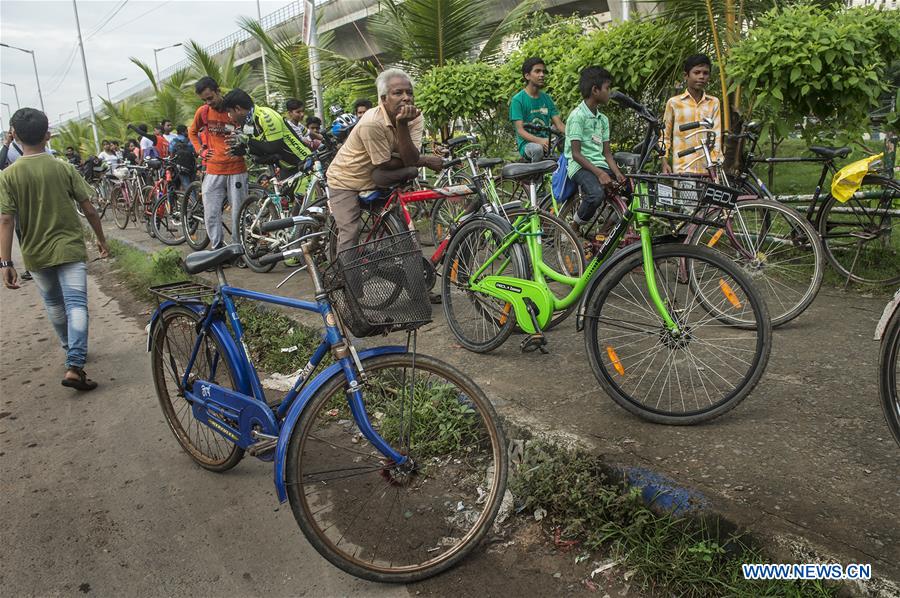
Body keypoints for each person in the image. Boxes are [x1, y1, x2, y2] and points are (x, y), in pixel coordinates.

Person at [0, 107, 109, 391]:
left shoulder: (8, 176)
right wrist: (101, 239)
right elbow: (89, 209)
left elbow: (6, 220)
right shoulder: (63, 167)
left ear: (14, 136)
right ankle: (75, 363)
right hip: (70, 247)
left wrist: (6, 262)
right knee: (76, 305)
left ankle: (70, 352)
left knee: (55, 306)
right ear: (48, 134)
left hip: (35, 252)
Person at [326, 68, 443, 254]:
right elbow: (385, 163)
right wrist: (426, 160)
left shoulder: (415, 117)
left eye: (409, 92)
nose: (406, 98)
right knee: (350, 232)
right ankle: (346, 279)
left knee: (402, 228)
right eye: (398, 93)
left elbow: (410, 158)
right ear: (383, 99)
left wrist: (402, 124)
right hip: (347, 180)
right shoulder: (371, 122)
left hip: (377, 177)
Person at [187, 76, 248, 250]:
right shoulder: (203, 112)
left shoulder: (234, 108)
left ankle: (238, 248)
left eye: (210, 97)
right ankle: (218, 247)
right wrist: (201, 151)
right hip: (214, 169)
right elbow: (192, 133)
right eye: (204, 100)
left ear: (218, 91)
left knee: (238, 212)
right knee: (211, 211)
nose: (208, 102)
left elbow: (249, 130)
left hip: (237, 168)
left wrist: (241, 142)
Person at [563, 67, 626, 230]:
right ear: (595, 90)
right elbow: (576, 154)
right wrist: (600, 174)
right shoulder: (578, 116)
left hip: (600, 164)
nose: (609, 92)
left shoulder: (603, 119)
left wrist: (618, 173)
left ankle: (606, 231)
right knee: (595, 195)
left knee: (630, 189)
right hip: (580, 166)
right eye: (607, 88)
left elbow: (607, 153)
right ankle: (574, 226)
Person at [222, 89, 312, 177]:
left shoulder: (266, 116)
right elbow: (259, 149)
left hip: (302, 162)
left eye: (229, 112)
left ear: (238, 109)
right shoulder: (248, 123)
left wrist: (248, 141)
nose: (229, 116)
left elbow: (273, 147)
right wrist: (243, 150)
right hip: (286, 167)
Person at [662, 54, 722, 175]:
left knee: (709, 195)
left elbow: (716, 136)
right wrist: (664, 161)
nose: (701, 77)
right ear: (686, 75)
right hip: (683, 168)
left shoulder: (713, 103)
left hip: (708, 169)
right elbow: (664, 136)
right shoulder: (674, 103)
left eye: (705, 73)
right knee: (685, 194)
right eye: (697, 72)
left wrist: (714, 162)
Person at [509, 57, 566, 162]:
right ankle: (536, 178)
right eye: (537, 71)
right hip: (528, 145)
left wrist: (577, 135)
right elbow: (520, 130)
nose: (542, 75)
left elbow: (559, 125)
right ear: (527, 76)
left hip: (546, 141)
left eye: (543, 71)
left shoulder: (546, 98)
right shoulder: (518, 100)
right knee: (537, 149)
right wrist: (539, 141)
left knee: (567, 143)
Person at [168, 124, 196, 190]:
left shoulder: (173, 141)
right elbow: (196, 153)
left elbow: (171, 154)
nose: (188, 132)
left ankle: (190, 199)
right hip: (191, 167)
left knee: (175, 186)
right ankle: (192, 199)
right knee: (190, 186)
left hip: (178, 167)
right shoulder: (189, 141)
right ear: (183, 132)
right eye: (187, 131)